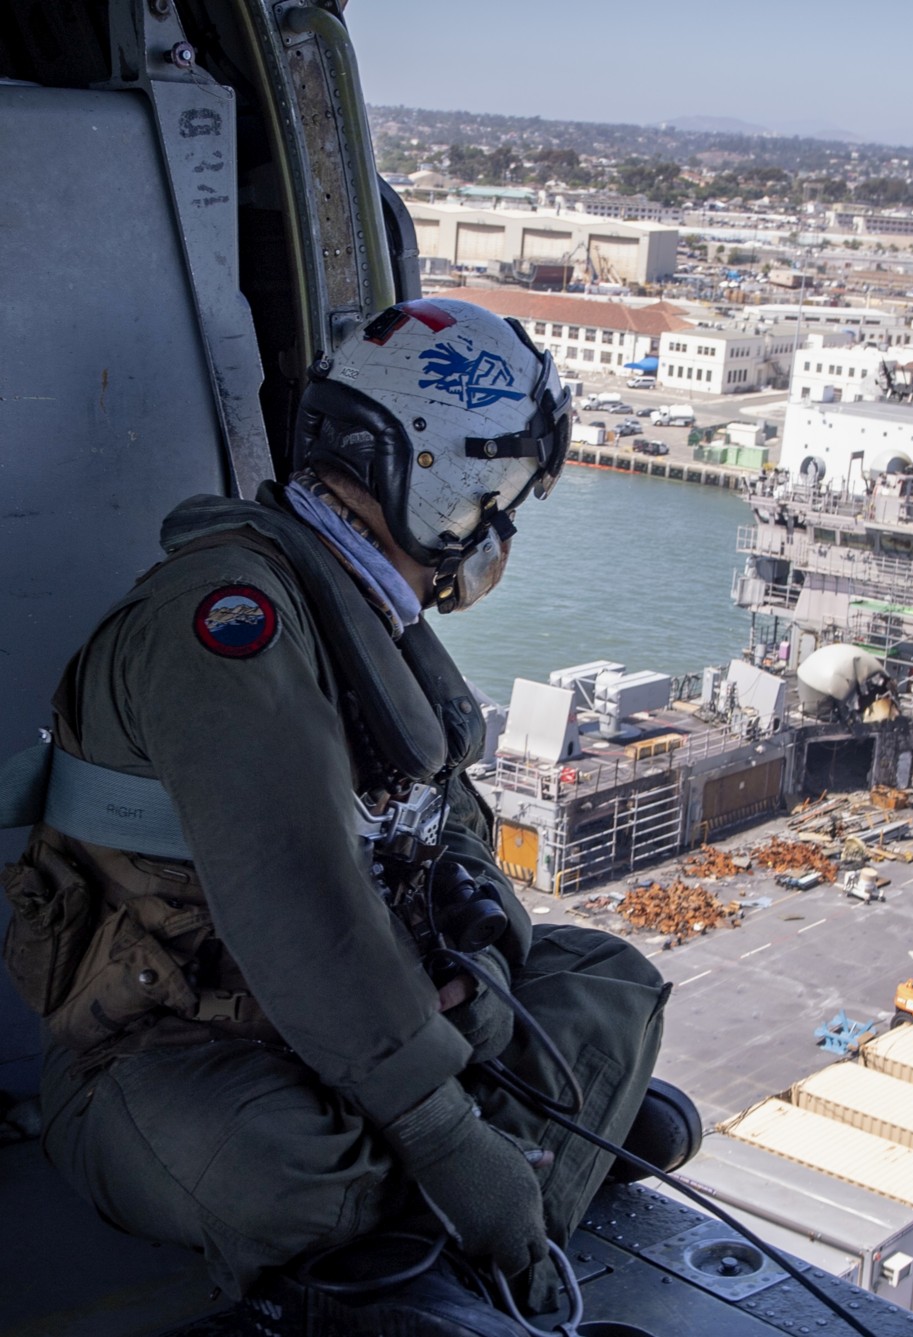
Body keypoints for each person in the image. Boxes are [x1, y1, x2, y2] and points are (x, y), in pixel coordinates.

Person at [0, 299, 682, 1327]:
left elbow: (449, 826)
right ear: (436, 477)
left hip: (365, 1023)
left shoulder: (361, 619)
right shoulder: (230, 622)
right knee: (288, 1172)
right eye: (492, 500)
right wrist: (452, 1138)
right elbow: (297, 905)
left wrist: (489, 956)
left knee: (612, 980)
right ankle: (505, 1183)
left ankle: (447, 1221)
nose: (492, 531)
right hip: (174, 1048)